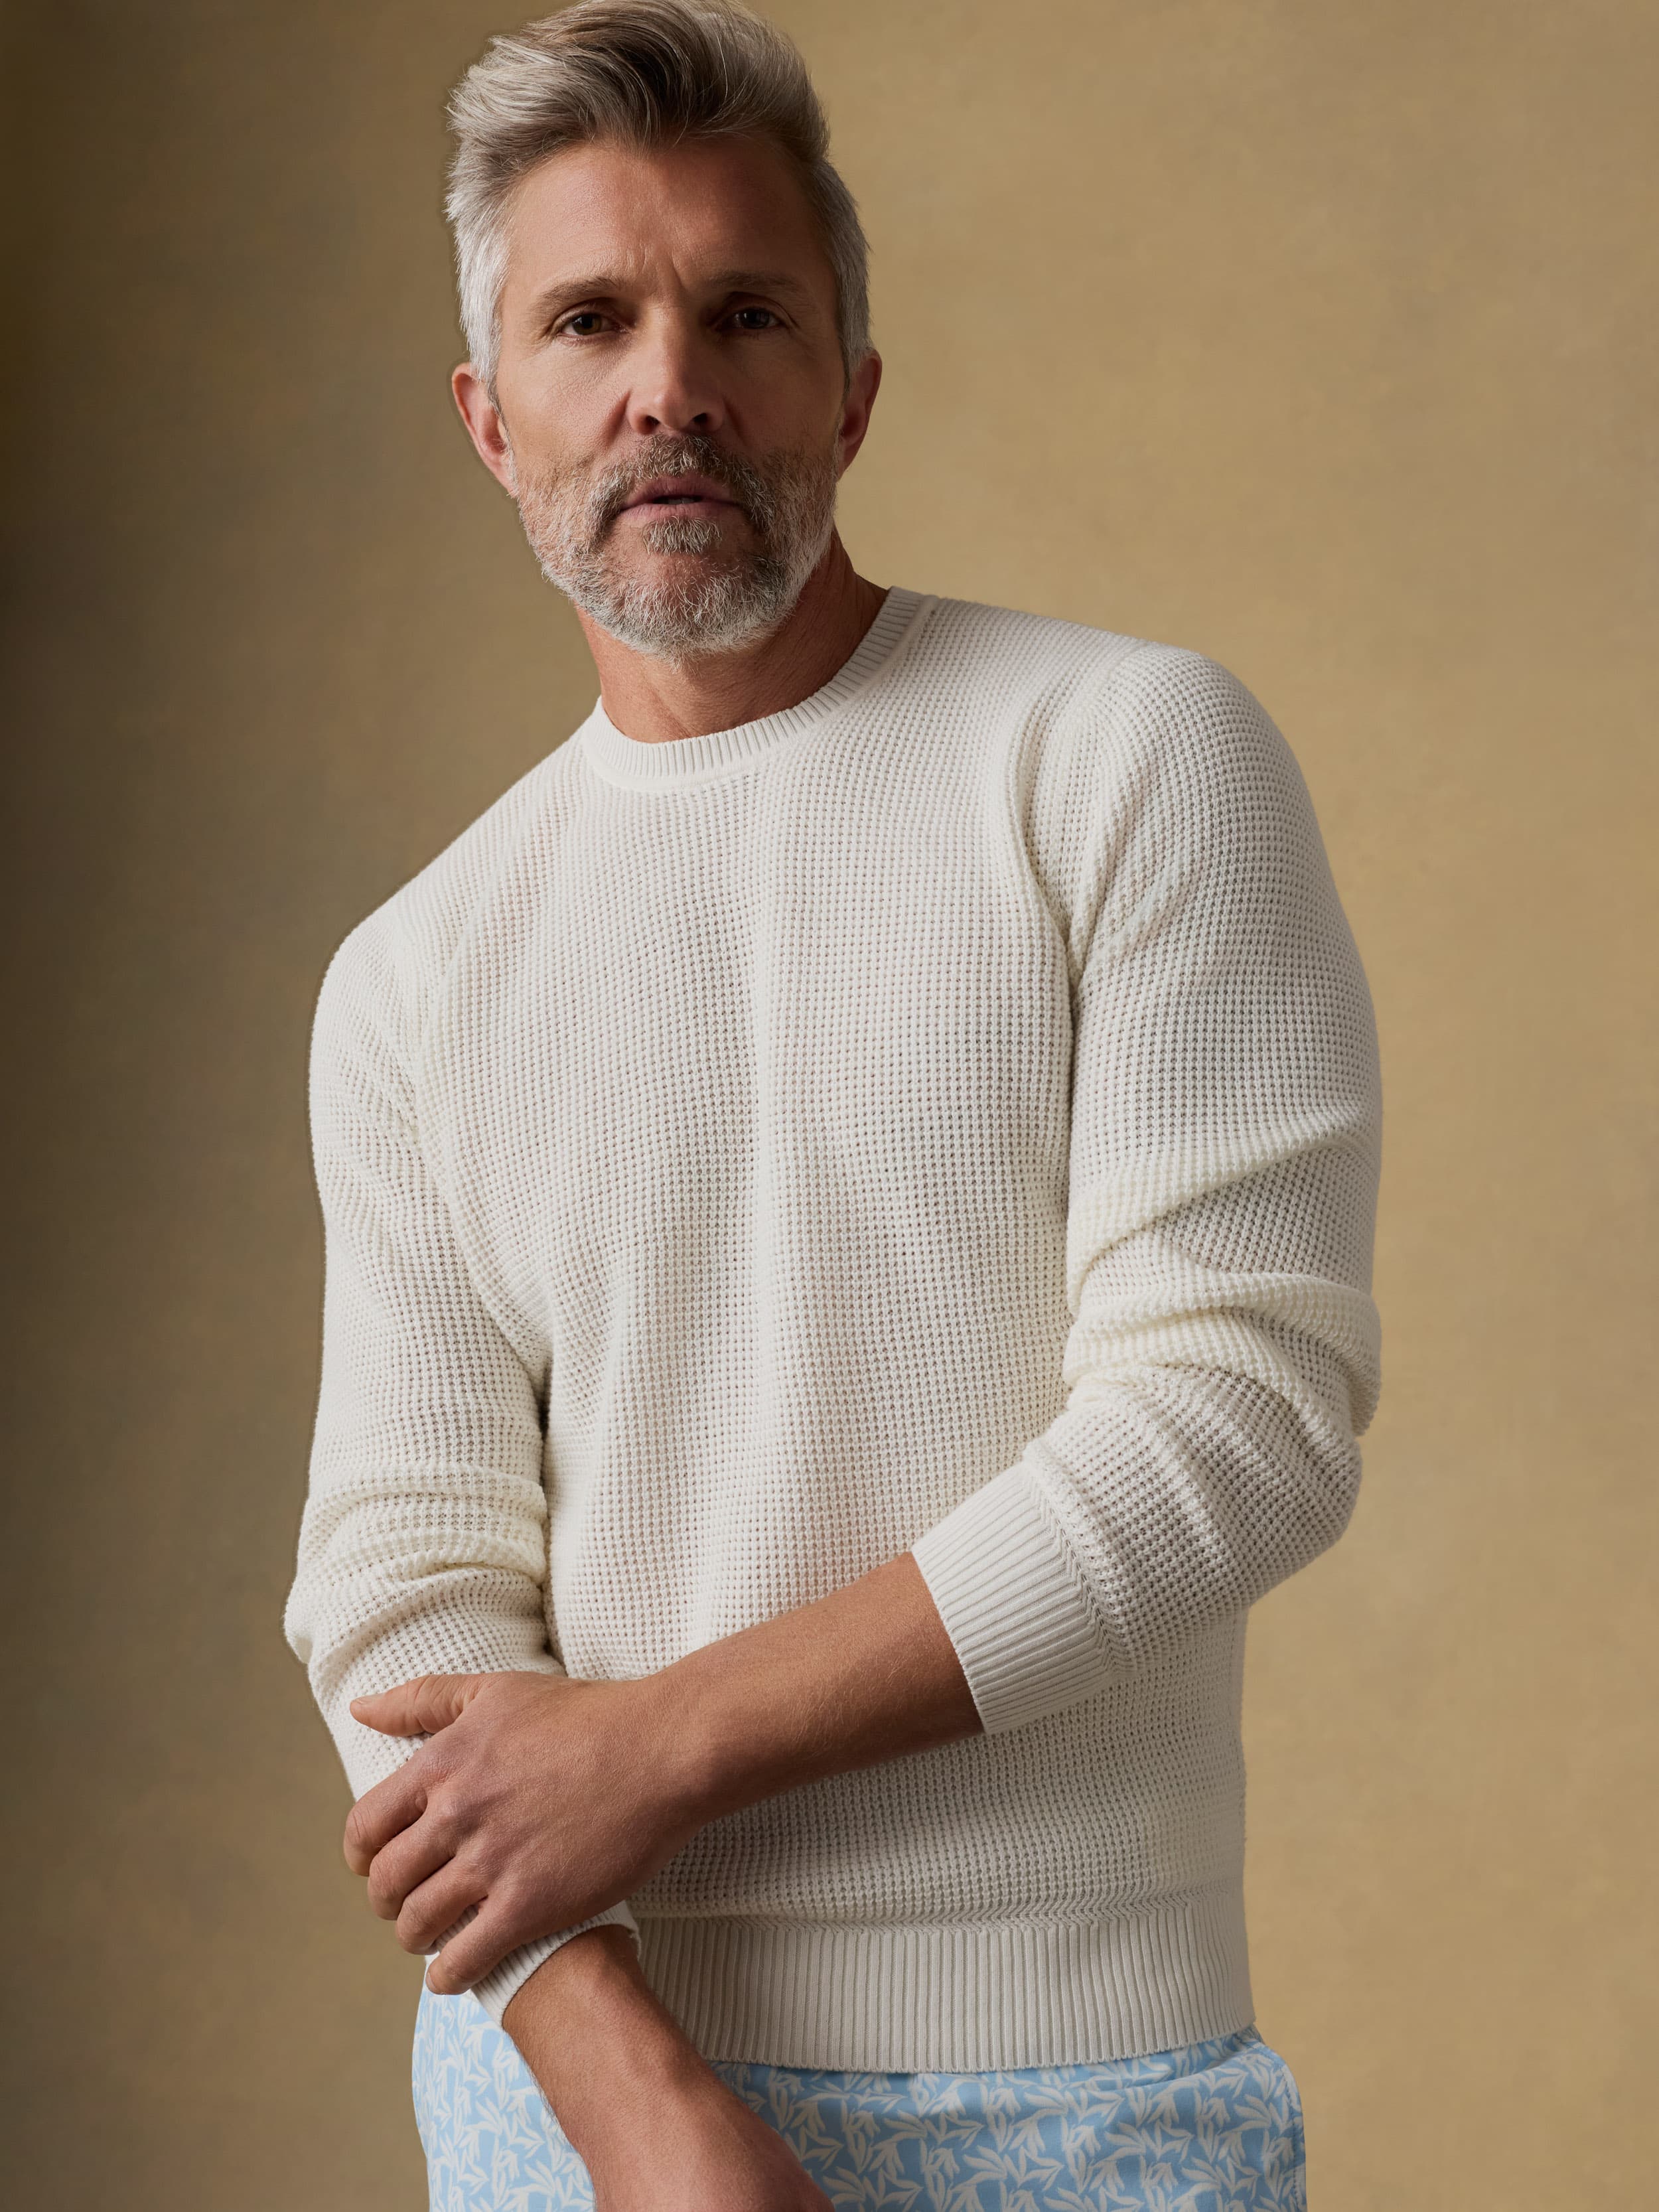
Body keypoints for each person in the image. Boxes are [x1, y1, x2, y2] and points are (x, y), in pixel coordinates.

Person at [283, 3, 1382, 2205]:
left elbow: (1238, 1415)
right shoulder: (415, 975)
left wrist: (657, 1748)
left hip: (1079, 2098)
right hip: (562, 2104)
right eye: (589, 319)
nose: (666, 383)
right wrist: (635, 2104)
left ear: (849, 392)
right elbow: (400, 1594)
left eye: (744, 312)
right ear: (492, 420)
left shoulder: (1123, 758)